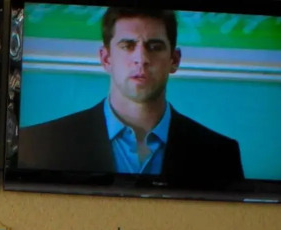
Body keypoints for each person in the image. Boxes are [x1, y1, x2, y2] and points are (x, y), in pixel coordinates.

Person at [15, 5, 243, 189]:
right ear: (106, 59)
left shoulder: (221, 154)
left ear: (174, 60)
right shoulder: (39, 145)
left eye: (154, 47)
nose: (141, 58)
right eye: (127, 45)